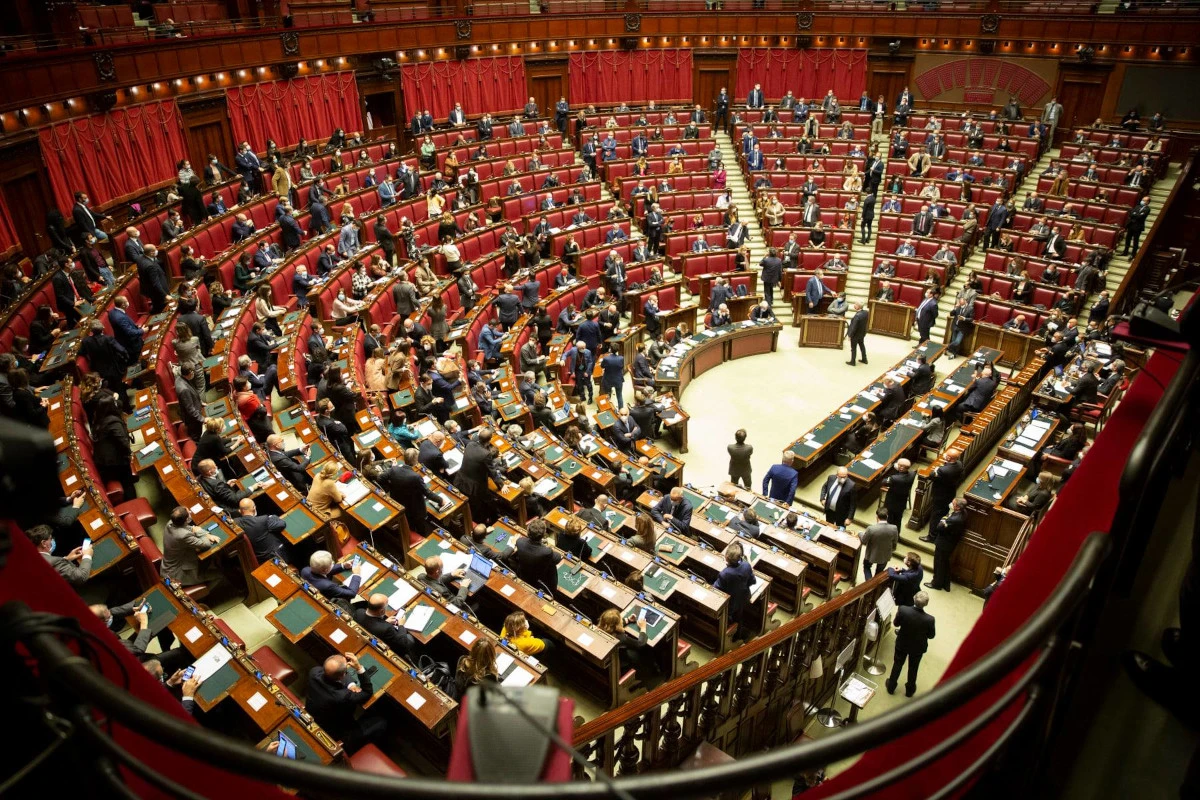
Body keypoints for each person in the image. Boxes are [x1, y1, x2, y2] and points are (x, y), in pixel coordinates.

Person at [306, 653, 386, 750]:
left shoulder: (313, 672)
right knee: (382, 722)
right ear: (342, 675)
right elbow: (367, 692)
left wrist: (350, 684)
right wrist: (359, 667)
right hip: (336, 731)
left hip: (315, 717)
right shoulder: (342, 696)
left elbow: (335, 674)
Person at [887, 591, 936, 697]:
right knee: (913, 668)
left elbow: (896, 623)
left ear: (914, 598)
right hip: (917, 647)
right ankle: (910, 690)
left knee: (898, 663)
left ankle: (891, 686)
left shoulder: (903, 610)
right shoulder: (930, 619)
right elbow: (931, 636)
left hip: (902, 643)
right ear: (926, 603)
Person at [162, 506, 221, 586]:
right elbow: (206, 545)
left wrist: (207, 535)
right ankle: (205, 593)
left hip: (169, 566)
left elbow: (188, 528)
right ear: (186, 520)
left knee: (207, 558)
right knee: (219, 574)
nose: (190, 512)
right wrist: (200, 531)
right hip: (179, 574)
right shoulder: (182, 535)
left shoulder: (171, 523)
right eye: (189, 512)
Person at [713, 542, 756, 640]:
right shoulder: (746, 565)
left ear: (727, 557)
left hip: (729, 604)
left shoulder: (724, 574)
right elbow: (752, 581)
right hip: (744, 598)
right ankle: (738, 635)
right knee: (739, 614)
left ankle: (731, 635)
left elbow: (715, 589)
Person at [925, 498, 966, 592]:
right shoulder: (963, 513)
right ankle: (945, 584)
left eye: (953, 503)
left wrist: (945, 518)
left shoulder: (955, 519)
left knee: (939, 564)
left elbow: (939, 527)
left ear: (957, 507)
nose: (951, 504)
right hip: (949, 543)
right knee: (945, 563)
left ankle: (936, 584)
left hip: (944, 544)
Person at [514, 519, 561, 597]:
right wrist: (546, 546)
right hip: (541, 582)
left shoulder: (520, 542)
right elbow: (558, 558)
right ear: (543, 535)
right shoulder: (546, 551)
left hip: (524, 575)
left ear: (528, 531)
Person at [860, 511, 899, 580]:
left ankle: (869, 584)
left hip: (871, 554)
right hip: (885, 555)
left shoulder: (871, 529)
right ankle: (875, 585)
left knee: (866, 568)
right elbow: (895, 542)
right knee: (879, 573)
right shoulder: (894, 528)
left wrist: (860, 533)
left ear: (877, 517)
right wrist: (891, 550)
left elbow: (863, 540)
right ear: (887, 517)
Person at [882, 459, 915, 529]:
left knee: (889, 520)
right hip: (902, 502)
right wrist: (899, 470)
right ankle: (897, 535)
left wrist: (894, 470)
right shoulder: (912, 474)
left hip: (891, 503)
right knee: (898, 520)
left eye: (898, 464)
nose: (897, 465)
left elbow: (884, 482)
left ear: (902, 467)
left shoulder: (894, 478)